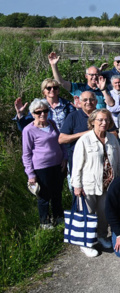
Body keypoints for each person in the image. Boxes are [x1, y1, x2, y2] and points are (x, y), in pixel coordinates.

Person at [71, 109, 120, 257]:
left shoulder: (112, 139)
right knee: (87, 214)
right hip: (88, 185)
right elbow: (77, 165)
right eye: (100, 120)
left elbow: (119, 161)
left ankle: (101, 236)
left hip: (108, 184)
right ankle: (86, 243)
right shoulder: (85, 140)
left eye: (107, 120)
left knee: (104, 213)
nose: (104, 123)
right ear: (92, 121)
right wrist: (76, 185)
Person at [22, 98, 66, 228]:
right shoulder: (28, 130)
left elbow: (60, 141)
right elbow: (26, 154)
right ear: (32, 113)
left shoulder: (52, 123)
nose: (42, 114)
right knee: (44, 196)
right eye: (38, 112)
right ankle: (45, 222)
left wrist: (65, 157)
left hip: (58, 165)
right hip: (41, 168)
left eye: (45, 111)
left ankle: (59, 217)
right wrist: (30, 174)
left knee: (57, 193)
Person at [48, 52, 114, 109]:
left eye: (96, 75)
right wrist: (53, 65)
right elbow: (60, 82)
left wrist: (103, 90)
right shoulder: (78, 88)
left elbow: (111, 104)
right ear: (86, 76)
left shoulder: (103, 90)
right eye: (92, 75)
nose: (94, 77)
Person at [59, 91, 98, 174]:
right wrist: (86, 134)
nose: (88, 102)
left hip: (98, 158)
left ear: (96, 101)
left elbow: (114, 134)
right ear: (80, 102)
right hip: (78, 159)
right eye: (85, 100)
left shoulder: (103, 115)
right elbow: (61, 139)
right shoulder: (73, 116)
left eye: (91, 99)